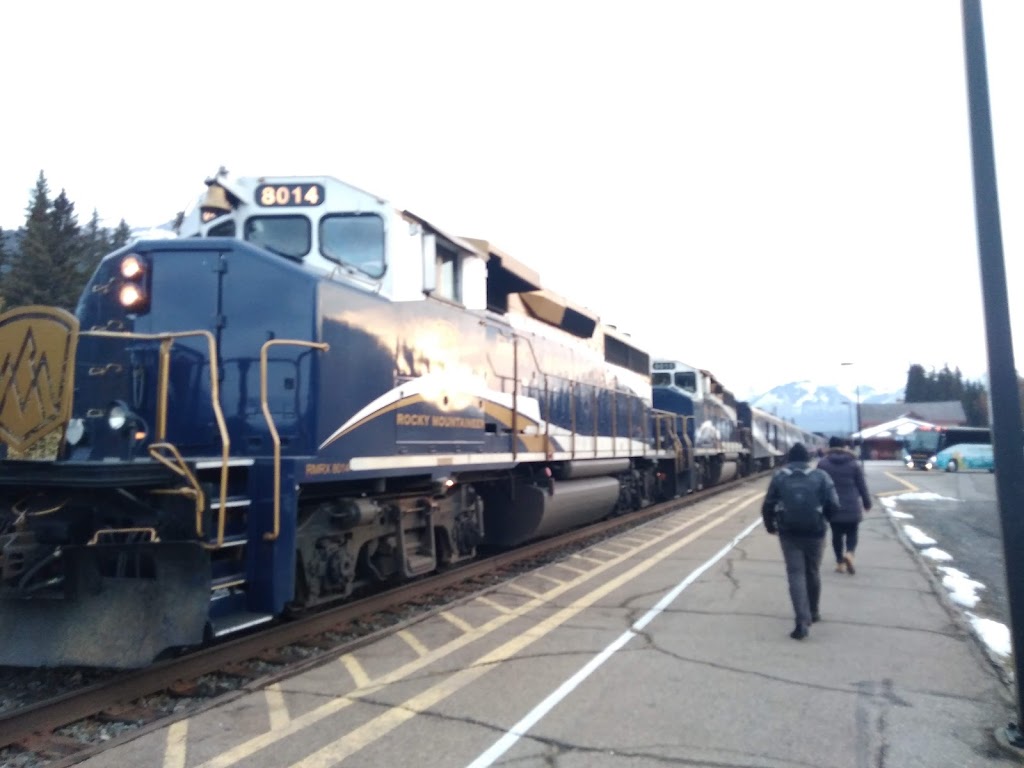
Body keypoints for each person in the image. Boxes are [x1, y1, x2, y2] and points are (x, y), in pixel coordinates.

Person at [762, 443, 840, 640]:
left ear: (789, 458)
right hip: (815, 531)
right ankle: (813, 611)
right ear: (808, 458)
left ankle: (801, 621)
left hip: (789, 532)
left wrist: (770, 526)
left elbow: (768, 504)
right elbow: (834, 504)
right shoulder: (821, 476)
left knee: (796, 573)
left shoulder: (780, 476)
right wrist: (826, 521)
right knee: (812, 571)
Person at [816, 436, 872, 575]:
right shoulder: (853, 463)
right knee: (852, 532)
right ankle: (850, 554)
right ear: (844, 447)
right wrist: (867, 503)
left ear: (829, 446)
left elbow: (817, 486)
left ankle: (840, 563)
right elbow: (861, 486)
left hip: (833, 507)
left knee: (836, 535)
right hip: (852, 505)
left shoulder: (823, 463)